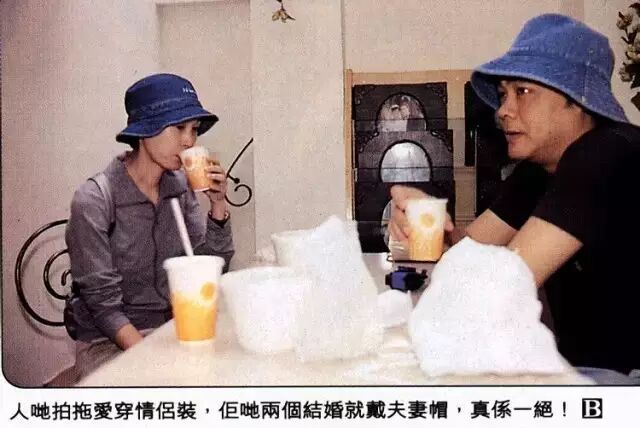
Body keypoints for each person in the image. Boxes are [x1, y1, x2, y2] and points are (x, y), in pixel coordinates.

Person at [389, 14, 640, 384]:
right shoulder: (540, 170)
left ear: (577, 101)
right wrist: (427, 225)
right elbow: (469, 255)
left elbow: (499, 288)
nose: (503, 110)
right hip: (584, 374)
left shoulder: (606, 154)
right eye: (504, 94)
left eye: (522, 92)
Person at [65, 73, 234, 379]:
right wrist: (154, 360)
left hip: (172, 328)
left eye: (194, 130)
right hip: (110, 342)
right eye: (179, 128)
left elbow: (207, 270)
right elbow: (103, 307)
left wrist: (218, 205)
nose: (189, 141)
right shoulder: (94, 200)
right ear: (145, 131)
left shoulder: (180, 189)